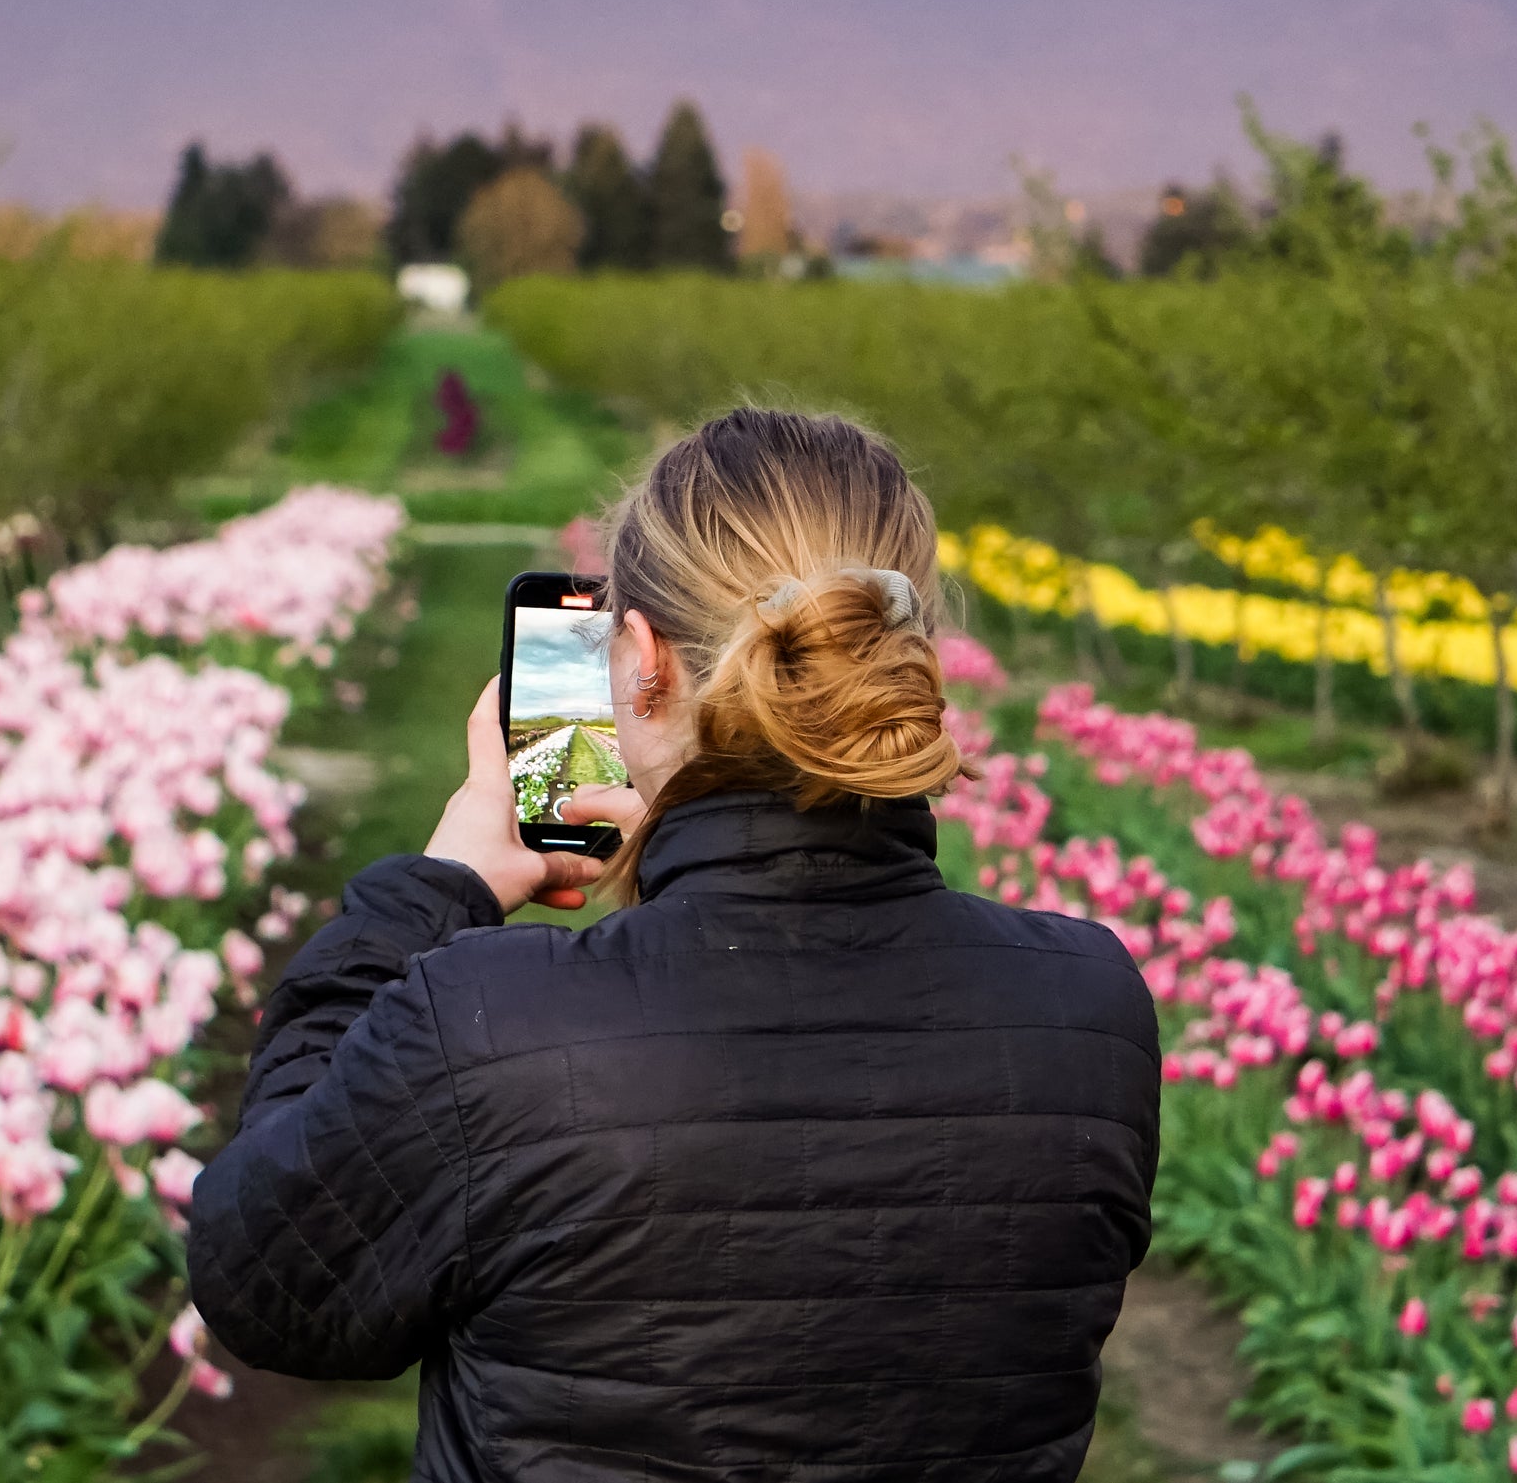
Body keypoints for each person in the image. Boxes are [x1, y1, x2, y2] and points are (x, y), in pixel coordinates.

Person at [189, 407, 1162, 1480]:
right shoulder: (1090, 1007)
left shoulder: (489, 1027)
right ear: (902, 657)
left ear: (643, 660)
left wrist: (432, 889)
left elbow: (269, 1282)